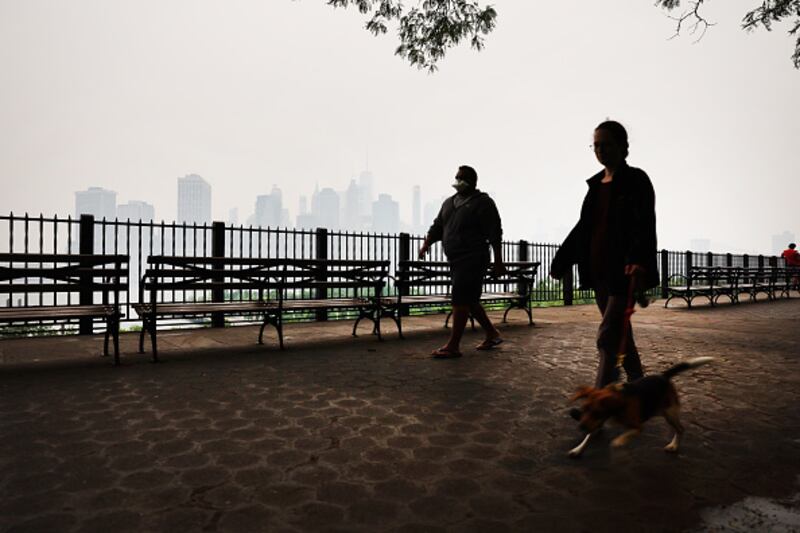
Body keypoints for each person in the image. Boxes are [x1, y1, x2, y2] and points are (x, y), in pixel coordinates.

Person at [550, 121, 659, 387]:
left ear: (623, 147)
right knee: (621, 332)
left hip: (625, 272)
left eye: (607, 144)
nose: (600, 150)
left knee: (608, 336)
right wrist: (562, 259)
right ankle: (638, 383)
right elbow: (584, 228)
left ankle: (598, 401)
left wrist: (637, 260)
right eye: (596, 145)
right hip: (598, 271)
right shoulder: (596, 185)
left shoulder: (636, 180)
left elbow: (643, 223)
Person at [418, 165, 506, 358]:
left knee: (459, 297)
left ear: (473, 181)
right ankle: (492, 333)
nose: (459, 181)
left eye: (463, 178)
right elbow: (438, 226)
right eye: (457, 177)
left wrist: (498, 260)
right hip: (455, 259)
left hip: (473, 258)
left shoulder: (483, 203)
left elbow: (494, 232)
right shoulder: (449, 203)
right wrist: (426, 244)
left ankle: (453, 345)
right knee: (470, 300)